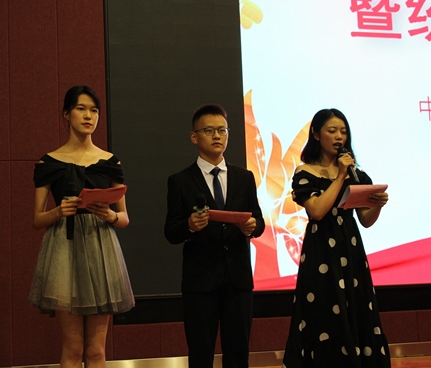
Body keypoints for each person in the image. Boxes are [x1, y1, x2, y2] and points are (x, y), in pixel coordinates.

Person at [29, 85, 134, 368]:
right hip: (64, 250)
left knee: (96, 351)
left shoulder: (110, 162)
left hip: (101, 251)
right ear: (66, 114)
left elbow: (124, 218)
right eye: (81, 109)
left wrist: (109, 215)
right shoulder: (49, 162)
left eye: (94, 110)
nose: (89, 116)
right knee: (73, 349)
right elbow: (37, 219)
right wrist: (58, 211)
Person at [282, 108, 390, 368]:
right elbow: (317, 211)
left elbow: (366, 220)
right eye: (332, 131)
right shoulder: (305, 173)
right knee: (323, 311)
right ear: (316, 134)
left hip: (351, 251)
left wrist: (377, 204)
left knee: (356, 309)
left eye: (343, 131)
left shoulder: (357, 174)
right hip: (321, 252)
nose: (339, 136)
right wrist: (340, 175)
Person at [164, 104, 265, 368]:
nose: (217, 136)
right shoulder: (180, 181)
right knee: (201, 354)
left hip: (238, 280)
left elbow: (259, 222)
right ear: (194, 136)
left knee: (238, 354)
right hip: (201, 282)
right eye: (209, 130)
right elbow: (171, 231)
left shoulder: (244, 177)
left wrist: (252, 226)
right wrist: (189, 225)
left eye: (222, 130)